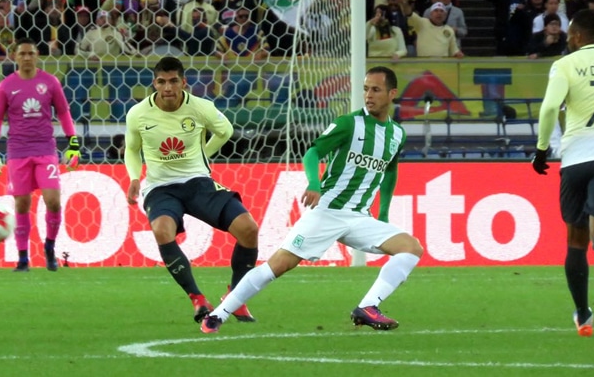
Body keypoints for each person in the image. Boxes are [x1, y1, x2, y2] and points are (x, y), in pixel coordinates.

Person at [201, 66, 423, 334]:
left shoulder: (397, 133)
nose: (368, 95)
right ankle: (218, 314)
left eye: (375, 89)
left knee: (411, 247)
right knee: (279, 265)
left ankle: (367, 307)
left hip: (360, 217)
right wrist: (314, 183)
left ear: (392, 93)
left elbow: (390, 170)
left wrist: (384, 213)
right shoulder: (349, 124)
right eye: (365, 89)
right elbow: (313, 152)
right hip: (328, 212)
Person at [124, 56, 259, 323]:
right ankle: (197, 299)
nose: (168, 88)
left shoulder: (200, 107)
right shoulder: (138, 113)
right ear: (154, 84)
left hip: (198, 182)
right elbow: (131, 148)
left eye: (174, 81)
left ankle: (236, 296)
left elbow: (225, 130)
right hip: (160, 187)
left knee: (248, 229)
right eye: (161, 82)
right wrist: (134, 177)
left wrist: (204, 154)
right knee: (162, 230)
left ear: (184, 83)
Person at [532, 9, 594, 337]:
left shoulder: (564, 65)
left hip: (575, 159)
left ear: (575, 36)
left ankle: (583, 313)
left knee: (575, 241)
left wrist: (542, 149)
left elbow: (549, 108)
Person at [0, 37, 82, 272]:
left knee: (53, 201)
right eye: (22, 54)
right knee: (22, 204)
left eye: (31, 53)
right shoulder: (6, 86)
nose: (27, 57)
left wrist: (73, 142)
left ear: (37, 55)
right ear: (15, 57)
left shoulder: (49, 82)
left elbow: (63, 112)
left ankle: (49, 246)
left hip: (45, 149)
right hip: (18, 151)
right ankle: (23, 257)